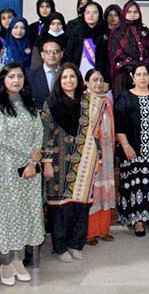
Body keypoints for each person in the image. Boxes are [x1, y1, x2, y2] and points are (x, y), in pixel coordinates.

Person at [0, 63, 45, 286]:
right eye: (11, 76)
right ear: (3, 80)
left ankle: (18, 259)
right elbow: (0, 137)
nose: (16, 80)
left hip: (28, 170)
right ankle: (5, 262)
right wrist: (31, 153)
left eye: (19, 76)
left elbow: (39, 132)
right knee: (6, 214)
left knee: (24, 212)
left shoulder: (29, 104)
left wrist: (33, 160)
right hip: (3, 167)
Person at [41, 63, 102, 262]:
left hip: (84, 159)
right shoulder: (51, 103)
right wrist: (47, 162)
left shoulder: (88, 102)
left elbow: (96, 134)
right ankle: (60, 247)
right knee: (60, 206)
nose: (69, 81)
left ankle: (77, 243)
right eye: (65, 77)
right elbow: (46, 134)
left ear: (78, 80)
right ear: (59, 80)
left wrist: (98, 157)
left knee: (81, 205)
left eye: (72, 77)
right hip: (58, 162)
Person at [114, 63, 149, 236]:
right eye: (139, 74)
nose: (142, 77)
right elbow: (119, 126)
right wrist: (126, 146)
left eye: (145, 74)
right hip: (132, 151)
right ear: (132, 77)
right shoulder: (124, 98)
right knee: (135, 186)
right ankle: (137, 221)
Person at [84, 69, 116, 245]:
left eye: (101, 79)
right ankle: (90, 232)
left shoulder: (107, 101)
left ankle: (104, 229)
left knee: (106, 189)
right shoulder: (84, 102)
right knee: (93, 191)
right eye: (94, 80)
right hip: (92, 153)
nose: (98, 83)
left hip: (108, 151)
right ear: (87, 82)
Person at [109, 0, 149, 96]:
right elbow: (116, 53)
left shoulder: (144, 30)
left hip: (144, 74)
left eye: (135, 12)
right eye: (129, 12)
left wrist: (143, 66)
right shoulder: (118, 31)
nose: (132, 15)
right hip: (124, 74)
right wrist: (135, 64)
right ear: (124, 13)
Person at [65, 2, 108, 79]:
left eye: (94, 12)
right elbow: (69, 55)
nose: (91, 15)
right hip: (78, 71)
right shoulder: (76, 32)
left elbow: (107, 60)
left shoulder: (105, 33)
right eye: (88, 12)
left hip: (99, 75)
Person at [30, 37, 64, 109]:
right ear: (42, 54)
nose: (52, 55)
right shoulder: (31, 75)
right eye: (48, 52)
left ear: (61, 54)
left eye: (56, 52)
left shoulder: (67, 74)